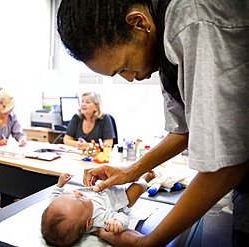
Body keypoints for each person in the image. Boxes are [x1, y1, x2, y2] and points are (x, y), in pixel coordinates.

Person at [57, 0, 249, 246]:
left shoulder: (190, 20)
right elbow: (183, 131)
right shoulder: (160, 45)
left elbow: (227, 161)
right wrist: (131, 172)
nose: (130, 78)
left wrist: (148, 242)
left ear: (139, 23)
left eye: (124, 67)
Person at [41, 172, 155, 246]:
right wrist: (118, 223)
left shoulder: (57, 204)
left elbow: (54, 195)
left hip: (100, 189)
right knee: (140, 186)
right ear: (89, 223)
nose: (77, 192)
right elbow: (123, 218)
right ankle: (146, 177)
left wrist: (60, 185)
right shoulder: (98, 218)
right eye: (80, 199)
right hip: (118, 199)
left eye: (70, 194)